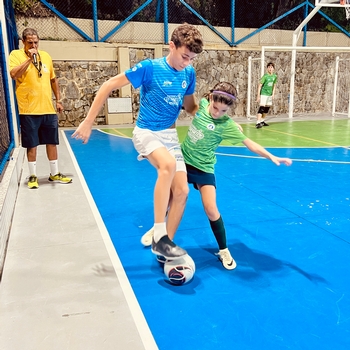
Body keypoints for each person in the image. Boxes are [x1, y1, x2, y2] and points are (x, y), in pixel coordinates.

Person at [72, 24, 204, 259]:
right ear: (171, 46)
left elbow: (190, 106)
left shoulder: (188, 73)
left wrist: (211, 112)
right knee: (168, 166)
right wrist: (88, 121)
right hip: (146, 133)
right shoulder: (149, 68)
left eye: (192, 59)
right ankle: (159, 235)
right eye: (185, 56)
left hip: (170, 136)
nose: (187, 62)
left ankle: (165, 246)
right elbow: (108, 85)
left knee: (182, 191)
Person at [142, 82, 292, 269]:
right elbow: (186, 105)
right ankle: (159, 231)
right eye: (215, 107)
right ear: (210, 98)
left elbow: (250, 144)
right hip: (184, 160)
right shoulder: (203, 105)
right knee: (172, 199)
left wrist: (271, 156)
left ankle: (223, 249)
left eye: (223, 111)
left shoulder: (227, 125)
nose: (217, 113)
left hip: (204, 167)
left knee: (211, 209)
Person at [9, 28, 72, 189]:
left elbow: (53, 79)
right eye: (30, 42)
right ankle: (32, 176)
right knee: (32, 144)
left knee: (52, 142)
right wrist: (29, 59)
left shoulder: (46, 56)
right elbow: (13, 74)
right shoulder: (16, 55)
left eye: (36, 42)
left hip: (48, 109)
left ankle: (55, 173)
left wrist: (58, 100)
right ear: (23, 42)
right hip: (29, 109)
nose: (33, 45)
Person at [255, 62, 277, 129]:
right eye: (269, 67)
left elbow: (274, 85)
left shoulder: (275, 76)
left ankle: (262, 121)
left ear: (273, 68)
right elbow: (260, 86)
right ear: (267, 68)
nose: (270, 68)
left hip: (269, 94)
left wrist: (273, 94)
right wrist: (258, 96)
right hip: (264, 94)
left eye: (271, 67)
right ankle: (258, 122)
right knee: (262, 107)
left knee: (267, 108)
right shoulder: (265, 76)